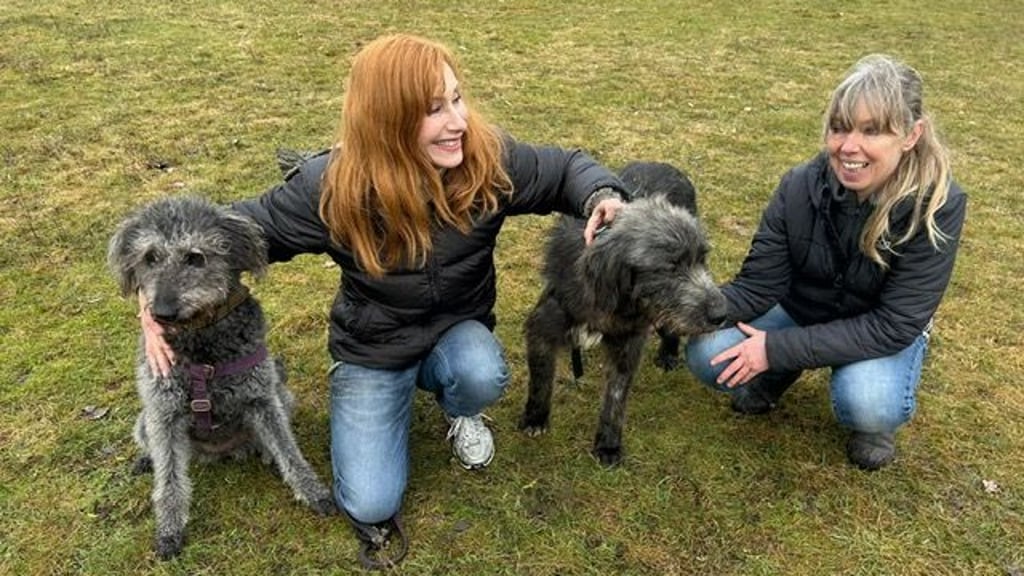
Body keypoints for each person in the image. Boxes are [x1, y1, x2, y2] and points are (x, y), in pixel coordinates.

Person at [138, 33, 628, 567]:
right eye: (433, 110)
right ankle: (368, 394)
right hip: (373, 346)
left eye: (457, 99)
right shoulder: (328, 188)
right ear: (385, 121)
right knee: (371, 501)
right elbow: (221, 233)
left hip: (456, 330)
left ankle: (461, 411)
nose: (458, 122)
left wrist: (603, 196)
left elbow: (565, 169)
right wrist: (155, 300)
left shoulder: (485, 159)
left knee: (482, 372)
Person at [684, 54, 967, 471]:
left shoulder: (938, 205)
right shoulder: (798, 186)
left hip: (879, 331)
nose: (848, 147)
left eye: (872, 131)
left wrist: (777, 348)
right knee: (708, 350)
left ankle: (872, 424)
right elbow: (759, 285)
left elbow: (894, 323)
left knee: (867, 401)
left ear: (911, 134)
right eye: (839, 128)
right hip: (803, 311)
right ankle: (779, 371)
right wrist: (686, 311)